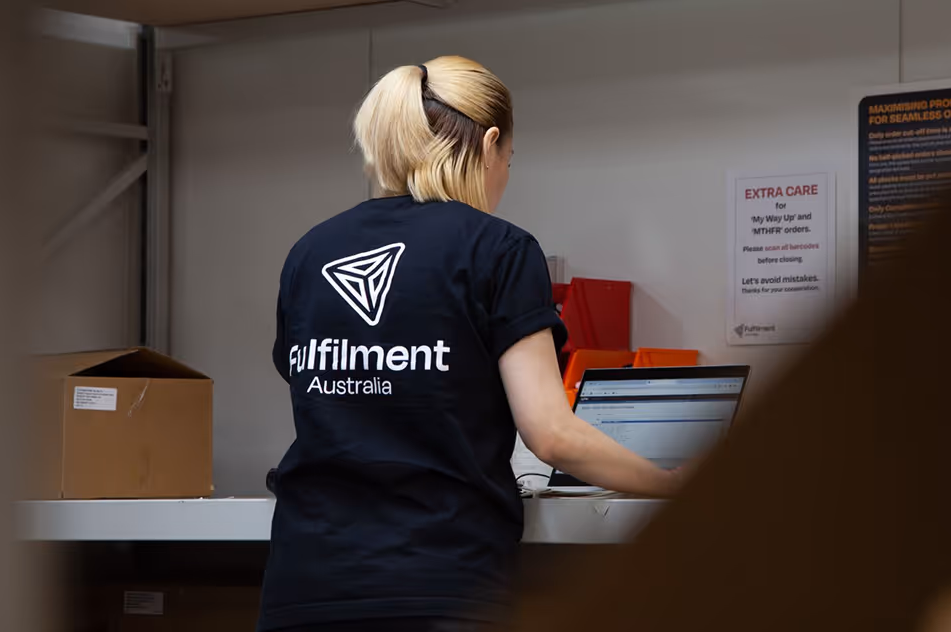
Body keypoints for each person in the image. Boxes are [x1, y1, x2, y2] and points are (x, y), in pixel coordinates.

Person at [257, 56, 680, 632]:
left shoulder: (309, 253)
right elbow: (552, 435)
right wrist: (677, 485)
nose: (506, 175)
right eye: (510, 160)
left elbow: (327, 397)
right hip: (439, 583)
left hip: (304, 582)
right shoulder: (498, 250)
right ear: (490, 144)